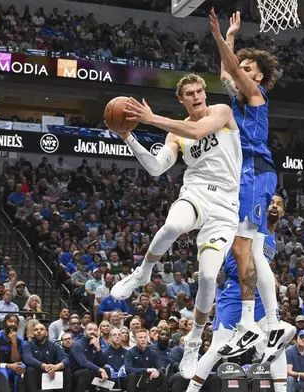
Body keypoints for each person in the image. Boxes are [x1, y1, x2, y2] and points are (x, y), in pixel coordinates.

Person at [111, 73, 242, 378]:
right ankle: (142, 272)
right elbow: (157, 167)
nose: (197, 97)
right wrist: (128, 136)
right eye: (190, 94)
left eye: (200, 91)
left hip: (225, 207)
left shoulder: (221, 112)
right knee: (173, 225)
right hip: (196, 192)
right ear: (181, 99)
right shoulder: (176, 135)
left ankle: (194, 341)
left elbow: (198, 131)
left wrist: (151, 118)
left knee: (209, 276)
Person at [209, 10, 288, 358]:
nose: (243, 69)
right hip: (250, 172)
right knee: (253, 250)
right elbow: (226, 72)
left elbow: (232, 70)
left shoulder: (255, 94)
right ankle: (272, 323)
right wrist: (229, 37)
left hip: (256, 170)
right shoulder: (237, 95)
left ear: (258, 75)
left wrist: (223, 40)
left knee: (242, 248)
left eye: (249, 67)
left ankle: (249, 324)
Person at [186, 194, 295, 392]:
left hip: (258, 293)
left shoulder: (272, 238)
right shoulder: (252, 223)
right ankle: (191, 390)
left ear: (283, 212)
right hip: (234, 289)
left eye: (279, 204)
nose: (274, 206)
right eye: (271, 202)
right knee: (218, 348)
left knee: (276, 341)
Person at [23, 323, 71, 392]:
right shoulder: (28, 344)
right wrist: (44, 366)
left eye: (41, 329)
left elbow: (66, 359)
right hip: (37, 375)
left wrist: (57, 367)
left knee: (67, 369)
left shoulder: (53, 345)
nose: (38, 331)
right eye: (36, 330)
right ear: (33, 333)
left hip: (52, 375)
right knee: (30, 369)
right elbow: (27, 358)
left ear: (46, 333)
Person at [69, 322, 108, 392]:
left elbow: (102, 363)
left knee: (106, 369)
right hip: (75, 374)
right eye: (90, 329)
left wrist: (98, 349)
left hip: (90, 372)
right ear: (84, 331)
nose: (92, 332)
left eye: (95, 330)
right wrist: (100, 370)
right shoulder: (77, 344)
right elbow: (83, 362)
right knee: (86, 372)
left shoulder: (95, 344)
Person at [0, 314, 25, 389]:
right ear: (4, 323)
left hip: (14, 367)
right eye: (10, 321)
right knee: (3, 372)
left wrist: (14, 343)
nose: (13, 324)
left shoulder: (20, 340)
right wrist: (9, 366)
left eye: (15, 322)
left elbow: (16, 360)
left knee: (22, 367)